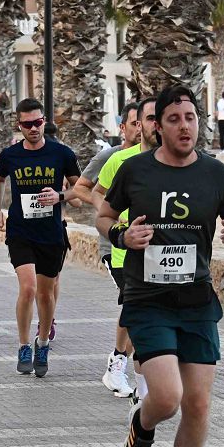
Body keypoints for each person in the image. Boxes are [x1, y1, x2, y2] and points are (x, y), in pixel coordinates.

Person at [96, 84, 224, 447]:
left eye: (190, 118)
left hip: (197, 301)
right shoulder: (136, 170)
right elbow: (103, 215)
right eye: (173, 119)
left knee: (198, 403)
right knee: (166, 397)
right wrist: (121, 236)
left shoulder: (216, 173)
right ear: (157, 128)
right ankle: (142, 425)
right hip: (147, 299)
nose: (184, 127)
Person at [0, 98, 82, 375]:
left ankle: (42, 342)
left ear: (44, 121)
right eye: (27, 124)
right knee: (28, 288)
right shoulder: (10, 155)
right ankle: (23, 346)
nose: (33, 128)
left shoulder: (62, 154)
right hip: (20, 231)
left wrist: (60, 196)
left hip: (51, 233)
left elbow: (80, 191)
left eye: (38, 122)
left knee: (45, 293)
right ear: (19, 125)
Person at [71, 103, 142, 394]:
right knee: (134, 304)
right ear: (122, 127)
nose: (140, 128)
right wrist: (108, 214)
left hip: (144, 247)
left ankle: (125, 365)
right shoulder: (110, 157)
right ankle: (119, 365)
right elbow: (82, 188)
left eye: (145, 122)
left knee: (140, 307)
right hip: (113, 244)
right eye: (135, 123)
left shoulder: (156, 159)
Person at [93, 95, 159, 397]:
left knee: (144, 314)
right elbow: (96, 195)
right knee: (136, 310)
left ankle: (123, 366)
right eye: (146, 119)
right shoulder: (120, 160)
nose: (156, 125)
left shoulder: (182, 163)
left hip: (161, 256)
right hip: (123, 254)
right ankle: (124, 370)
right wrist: (116, 223)